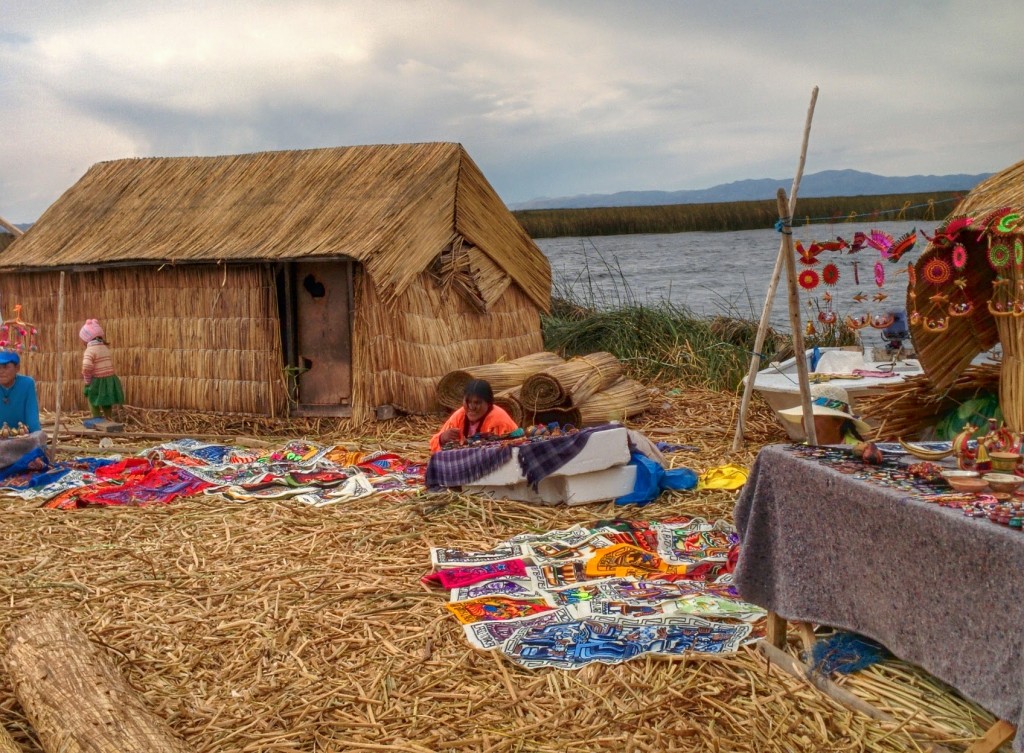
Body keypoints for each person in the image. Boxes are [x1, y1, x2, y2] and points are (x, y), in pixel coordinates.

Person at [430, 379, 518, 453]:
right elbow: (434, 445)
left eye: (477, 402)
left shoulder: (499, 422)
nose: (471, 407)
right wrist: (442, 438)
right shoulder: (460, 415)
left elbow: (504, 454)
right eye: (468, 402)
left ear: (488, 403)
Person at [778, 384, 872, 446]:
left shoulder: (858, 452)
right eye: (805, 416)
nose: (806, 422)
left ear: (838, 422)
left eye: (814, 416)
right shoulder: (800, 452)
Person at [0, 350, 47, 471]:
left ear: (17, 368)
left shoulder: (27, 384)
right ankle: (23, 462)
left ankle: (25, 460)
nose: (1, 371)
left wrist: (33, 438)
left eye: (5, 367)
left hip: (21, 438)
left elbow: (33, 421)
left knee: (39, 436)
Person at [80, 319, 124, 422]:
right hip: (109, 379)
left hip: (98, 380)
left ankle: (97, 419)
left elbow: (86, 367)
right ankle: (108, 419)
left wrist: (87, 382)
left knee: (92, 399)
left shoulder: (90, 350)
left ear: (86, 339)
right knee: (106, 400)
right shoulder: (104, 348)